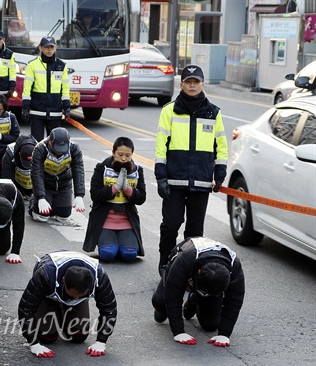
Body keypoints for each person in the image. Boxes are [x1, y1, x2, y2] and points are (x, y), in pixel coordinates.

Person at [155, 65, 228, 277]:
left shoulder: (214, 113)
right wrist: (161, 176)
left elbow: (221, 145)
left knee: (195, 231)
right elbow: (161, 144)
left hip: (201, 181)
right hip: (174, 180)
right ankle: (166, 262)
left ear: (203, 84)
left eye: (196, 81)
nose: (192, 85)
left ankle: (189, 267)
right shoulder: (169, 110)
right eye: (188, 81)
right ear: (182, 84)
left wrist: (220, 173)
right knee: (170, 225)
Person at [18, 251, 117, 358]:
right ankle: (55, 307)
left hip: (72, 283)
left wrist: (101, 341)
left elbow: (109, 309)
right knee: (47, 337)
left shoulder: (100, 277)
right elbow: (26, 308)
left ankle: (67, 312)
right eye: (73, 294)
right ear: (64, 281)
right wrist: (34, 344)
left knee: (78, 336)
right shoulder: (45, 275)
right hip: (49, 292)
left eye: (81, 295)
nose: (75, 298)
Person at [151, 237, 245, 347]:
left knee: (211, 325)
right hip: (181, 267)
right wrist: (179, 332)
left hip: (207, 278)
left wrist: (224, 334)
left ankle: (194, 300)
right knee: (161, 303)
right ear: (199, 272)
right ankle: (163, 301)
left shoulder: (235, 267)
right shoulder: (184, 259)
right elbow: (172, 296)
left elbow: (234, 301)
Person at [83, 137, 146, 262]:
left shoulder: (137, 171)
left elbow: (141, 198)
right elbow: (95, 195)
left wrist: (127, 189)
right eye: (120, 154)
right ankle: (111, 244)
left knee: (129, 255)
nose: (123, 159)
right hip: (105, 220)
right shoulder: (102, 168)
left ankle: (121, 245)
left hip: (126, 221)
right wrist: (115, 188)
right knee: (108, 254)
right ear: (113, 153)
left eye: (128, 155)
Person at [30, 127, 85, 223]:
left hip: (63, 184)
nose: (60, 152)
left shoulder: (74, 148)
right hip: (46, 185)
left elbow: (78, 170)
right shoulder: (40, 148)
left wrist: (79, 195)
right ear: (50, 142)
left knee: (63, 217)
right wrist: (40, 198)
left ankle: (55, 205)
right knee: (41, 216)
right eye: (57, 148)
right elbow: (36, 173)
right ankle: (33, 201)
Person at [22, 36, 70, 142]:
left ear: (55, 48)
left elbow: (65, 89)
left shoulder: (61, 66)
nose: (49, 50)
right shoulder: (32, 65)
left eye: (51, 47)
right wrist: (25, 108)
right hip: (36, 112)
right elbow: (27, 89)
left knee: (53, 144)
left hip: (55, 113)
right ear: (40, 48)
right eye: (46, 47)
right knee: (36, 143)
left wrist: (67, 107)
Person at [1, 134, 37, 200]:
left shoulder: (40, 151)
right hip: (17, 182)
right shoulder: (9, 155)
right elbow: (8, 178)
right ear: (19, 154)